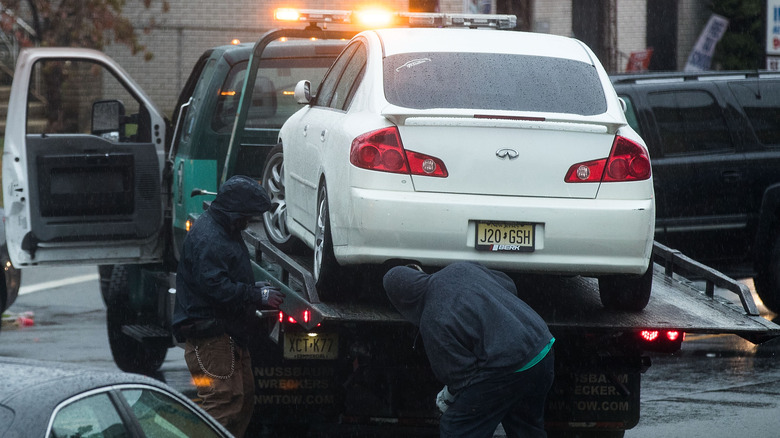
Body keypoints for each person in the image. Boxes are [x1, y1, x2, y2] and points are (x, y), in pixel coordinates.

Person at [383, 261, 555, 438]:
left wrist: (447, 399)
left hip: (509, 366)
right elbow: (508, 285)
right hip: (542, 347)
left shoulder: (432, 320)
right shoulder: (460, 268)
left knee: (457, 428)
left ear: (403, 302)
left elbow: (463, 378)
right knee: (525, 428)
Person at [172, 175, 284, 437]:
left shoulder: (223, 229)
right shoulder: (210, 239)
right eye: (247, 216)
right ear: (235, 212)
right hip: (211, 338)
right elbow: (216, 287)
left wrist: (252, 290)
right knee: (223, 404)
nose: (248, 222)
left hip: (225, 334)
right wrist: (255, 295)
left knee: (242, 401)